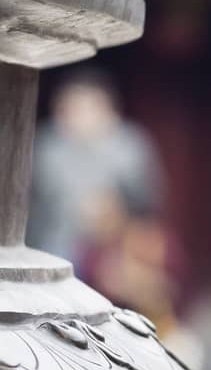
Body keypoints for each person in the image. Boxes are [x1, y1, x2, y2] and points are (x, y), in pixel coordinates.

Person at [27, 72, 165, 269]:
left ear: (109, 110)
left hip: (117, 246)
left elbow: (148, 204)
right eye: (71, 109)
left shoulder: (130, 145)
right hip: (56, 246)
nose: (80, 117)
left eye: (89, 108)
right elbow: (29, 211)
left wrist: (113, 209)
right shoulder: (45, 146)